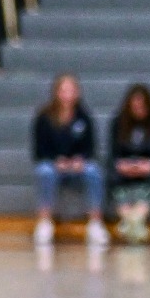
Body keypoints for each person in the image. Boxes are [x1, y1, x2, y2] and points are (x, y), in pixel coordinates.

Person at [31, 72, 107, 248]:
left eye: (71, 90)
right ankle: (44, 222)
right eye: (63, 90)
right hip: (53, 164)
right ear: (56, 92)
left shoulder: (84, 117)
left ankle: (95, 223)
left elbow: (90, 148)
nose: (67, 95)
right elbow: (38, 150)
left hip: (76, 166)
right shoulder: (44, 118)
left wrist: (79, 161)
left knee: (93, 171)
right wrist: (56, 161)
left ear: (77, 93)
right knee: (44, 171)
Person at [109, 82, 150, 245]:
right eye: (134, 106)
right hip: (125, 171)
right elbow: (114, 153)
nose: (138, 109)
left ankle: (135, 218)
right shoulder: (119, 123)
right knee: (111, 177)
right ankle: (130, 218)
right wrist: (124, 165)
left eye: (142, 105)